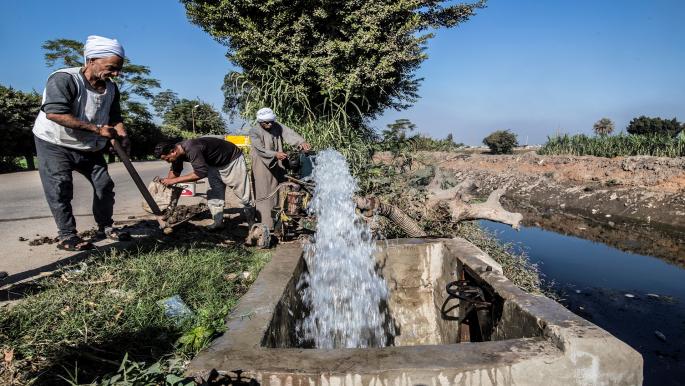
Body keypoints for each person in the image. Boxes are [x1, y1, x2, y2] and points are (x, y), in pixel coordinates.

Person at [32, 35, 131, 251]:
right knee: (60, 187)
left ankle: (105, 226)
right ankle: (67, 235)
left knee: (104, 185)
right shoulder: (64, 79)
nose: (116, 73)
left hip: (88, 146)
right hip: (55, 142)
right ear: (91, 60)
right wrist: (97, 129)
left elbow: (115, 117)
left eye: (118, 69)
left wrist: (122, 134)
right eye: (111, 67)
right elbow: (55, 114)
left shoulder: (111, 88)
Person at [154, 137, 254, 229]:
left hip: (231, 160)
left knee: (243, 194)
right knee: (214, 195)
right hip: (213, 165)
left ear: (173, 151)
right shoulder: (177, 152)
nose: (167, 161)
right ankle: (218, 223)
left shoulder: (192, 148)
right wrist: (166, 184)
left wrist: (173, 181)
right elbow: (175, 171)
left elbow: (200, 173)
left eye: (167, 159)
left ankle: (252, 224)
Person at [249, 107, 311, 229]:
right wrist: (274, 154)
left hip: (278, 162)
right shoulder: (254, 131)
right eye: (266, 122)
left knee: (282, 191)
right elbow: (259, 149)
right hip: (262, 164)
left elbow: (289, 134)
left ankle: (281, 223)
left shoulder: (277, 126)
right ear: (260, 122)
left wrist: (301, 142)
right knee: (265, 194)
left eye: (271, 121)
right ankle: (266, 226)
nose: (269, 124)